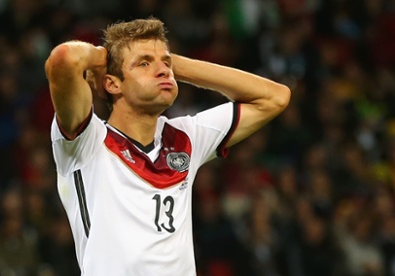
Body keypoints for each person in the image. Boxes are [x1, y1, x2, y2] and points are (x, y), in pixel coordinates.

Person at [44, 17, 290, 276]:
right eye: (143, 63)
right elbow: (64, 58)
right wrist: (99, 59)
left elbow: (275, 97)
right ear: (113, 83)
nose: (162, 70)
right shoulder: (87, 142)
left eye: (166, 63)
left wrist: (176, 65)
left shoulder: (186, 137)